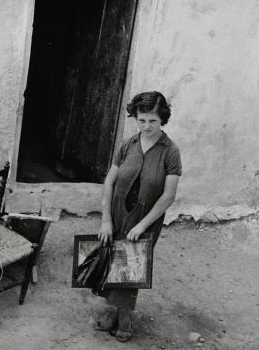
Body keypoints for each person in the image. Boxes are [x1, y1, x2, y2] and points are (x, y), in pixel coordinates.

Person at [97, 91, 182, 342]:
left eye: (153, 121)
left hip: (145, 219)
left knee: (131, 268)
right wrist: (105, 219)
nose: (146, 126)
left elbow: (168, 196)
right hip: (117, 213)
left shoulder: (170, 152)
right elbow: (109, 182)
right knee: (113, 262)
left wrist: (142, 226)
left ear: (163, 119)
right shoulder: (128, 145)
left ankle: (125, 320)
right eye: (141, 120)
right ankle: (116, 312)